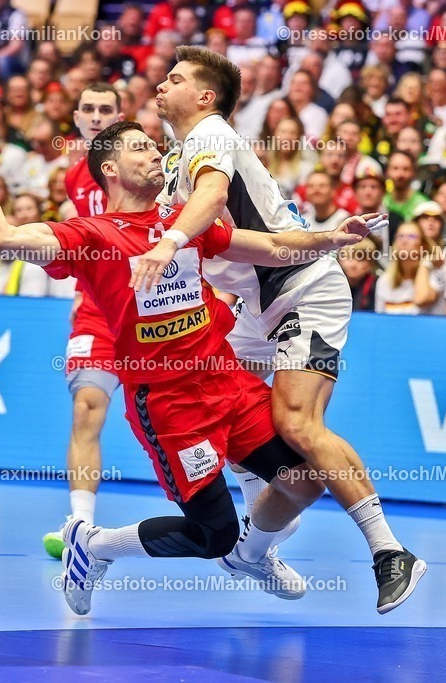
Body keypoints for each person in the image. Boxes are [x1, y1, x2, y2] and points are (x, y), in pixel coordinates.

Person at [0, 121, 379, 616]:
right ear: (109, 169)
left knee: (303, 478)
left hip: (227, 382)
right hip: (172, 406)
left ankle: (254, 555)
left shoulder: (181, 223)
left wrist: (332, 237)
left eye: (154, 145)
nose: (154, 153)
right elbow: (3, 239)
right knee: (212, 534)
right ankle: (98, 544)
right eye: (138, 148)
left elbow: (276, 248)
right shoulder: (89, 236)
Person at [132, 46, 425, 613]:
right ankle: (252, 546)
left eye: (175, 79)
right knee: (219, 389)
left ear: (205, 96)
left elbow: (213, 198)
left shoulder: (211, 135)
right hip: (255, 304)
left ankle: (390, 552)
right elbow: (229, 237)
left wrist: (168, 241)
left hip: (302, 290)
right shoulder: (178, 157)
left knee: (295, 422)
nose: (161, 85)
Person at [40, 82, 124, 559]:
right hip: (96, 310)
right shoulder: (74, 178)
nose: (95, 115)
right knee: (86, 408)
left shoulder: (148, 167)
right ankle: (80, 527)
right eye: (88, 108)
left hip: (154, 309)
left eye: (105, 109)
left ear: (120, 116)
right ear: (76, 117)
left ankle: (257, 511)